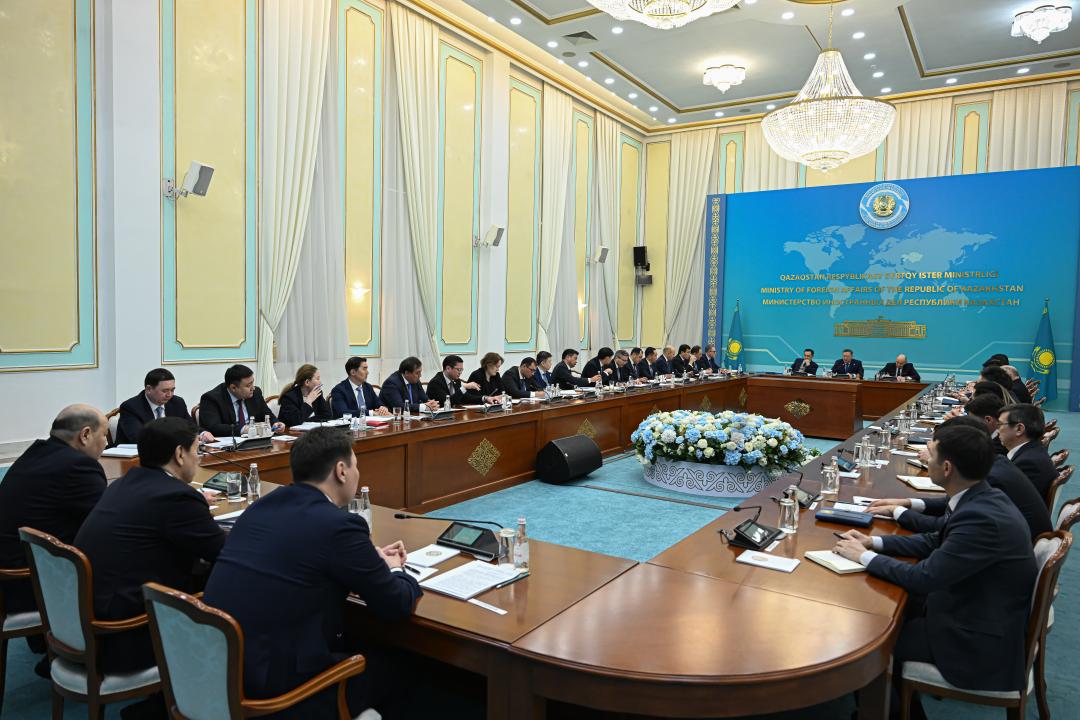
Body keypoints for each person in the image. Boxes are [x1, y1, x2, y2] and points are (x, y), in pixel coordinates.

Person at [204, 428, 421, 719]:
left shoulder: (262, 506)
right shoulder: (339, 526)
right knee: (408, 668)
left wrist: (368, 559)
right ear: (341, 471)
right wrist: (396, 569)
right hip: (280, 692)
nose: (357, 474)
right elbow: (396, 604)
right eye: (356, 466)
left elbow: (298, 557)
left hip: (222, 669)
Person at [834, 422, 1036, 717]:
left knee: (869, 645)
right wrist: (873, 543)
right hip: (973, 607)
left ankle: (883, 713)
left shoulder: (982, 518)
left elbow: (924, 578)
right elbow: (935, 540)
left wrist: (863, 557)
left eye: (931, 455)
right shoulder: (981, 496)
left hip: (975, 640)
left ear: (947, 468)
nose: (925, 459)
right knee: (889, 612)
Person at [75, 417, 227, 674]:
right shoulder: (176, 497)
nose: (199, 458)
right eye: (196, 450)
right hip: (129, 634)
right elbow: (225, 552)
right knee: (231, 578)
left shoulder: (125, 482)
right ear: (179, 454)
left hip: (90, 616)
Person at [867, 414, 1051, 541]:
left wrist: (897, 512)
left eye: (933, 456)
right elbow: (950, 506)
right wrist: (907, 503)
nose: (929, 461)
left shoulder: (991, 481)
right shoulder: (994, 464)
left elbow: (942, 527)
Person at [0, 406, 108, 620]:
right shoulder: (78, 467)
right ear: (85, 435)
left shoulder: (37, 451)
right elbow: (106, 524)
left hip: (10, 573)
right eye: (104, 435)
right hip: (31, 583)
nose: (106, 443)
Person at [116, 368, 214, 445]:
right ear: (149, 389)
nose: (169, 395)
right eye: (165, 391)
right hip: (135, 458)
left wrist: (202, 433)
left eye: (172, 390)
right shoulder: (131, 407)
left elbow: (189, 426)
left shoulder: (177, 403)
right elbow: (138, 438)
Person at [199, 364, 284, 438]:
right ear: (233, 388)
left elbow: (267, 414)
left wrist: (276, 423)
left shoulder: (255, 393)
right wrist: (243, 429)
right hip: (229, 445)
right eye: (248, 385)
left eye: (252, 383)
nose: (253, 388)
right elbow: (213, 427)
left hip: (255, 441)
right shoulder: (212, 398)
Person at [997, 403, 1057, 498]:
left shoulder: (1027, 463)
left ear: (1019, 429)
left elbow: (1002, 498)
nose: (997, 430)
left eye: (1000, 424)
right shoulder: (1033, 451)